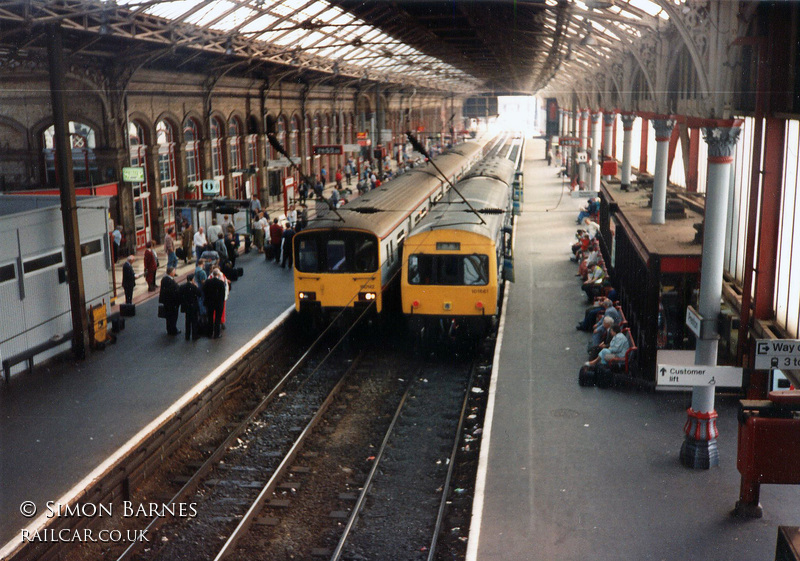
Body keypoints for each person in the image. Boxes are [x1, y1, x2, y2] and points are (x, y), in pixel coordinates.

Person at [178, 273, 203, 341]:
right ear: (192, 279)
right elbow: (199, 294)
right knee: (194, 321)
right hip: (193, 306)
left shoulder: (182, 286)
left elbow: (179, 295)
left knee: (187, 321)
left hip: (186, 306)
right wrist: (197, 287)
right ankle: (194, 335)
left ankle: (187, 335)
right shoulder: (193, 287)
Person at [202, 271, 226, 339]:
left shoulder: (208, 282)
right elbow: (222, 294)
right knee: (217, 319)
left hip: (209, 303)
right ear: (218, 275)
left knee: (210, 318)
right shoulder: (221, 283)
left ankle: (209, 333)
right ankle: (216, 334)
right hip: (218, 303)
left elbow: (204, 290)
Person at [158, 266, 180, 335]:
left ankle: (169, 329)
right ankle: (173, 330)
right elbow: (173, 291)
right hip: (172, 302)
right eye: (174, 271)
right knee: (173, 316)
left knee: (168, 317)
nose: (175, 273)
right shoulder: (170, 281)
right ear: (171, 273)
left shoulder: (164, 279)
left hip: (166, 302)